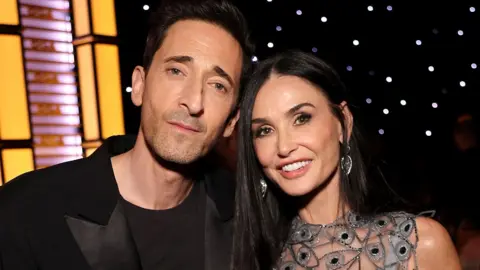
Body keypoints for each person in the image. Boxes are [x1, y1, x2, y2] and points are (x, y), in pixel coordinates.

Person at [0, 0, 253, 269]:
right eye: (176, 71)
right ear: (139, 85)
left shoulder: (249, 220)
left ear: (231, 122)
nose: (193, 102)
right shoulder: (24, 212)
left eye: (218, 85)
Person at [232, 50, 461, 270]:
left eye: (302, 118)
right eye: (264, 131)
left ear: (343, 123)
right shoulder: (249, 259)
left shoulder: (418, 242)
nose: (283, 146)